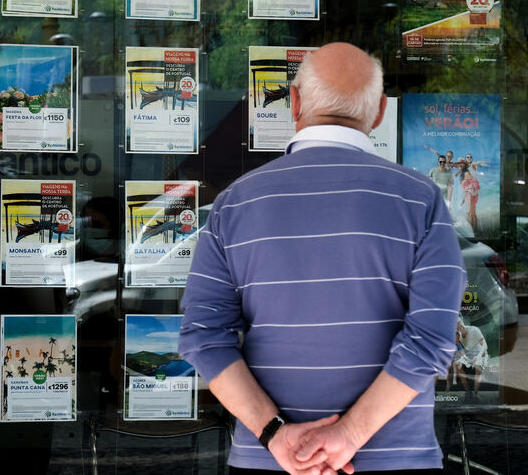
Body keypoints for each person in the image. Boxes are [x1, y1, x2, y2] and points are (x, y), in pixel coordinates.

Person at [179, 43, 465, 475]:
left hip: (270, 461)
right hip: (395, 460)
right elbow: (432, 340)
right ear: (380, 112)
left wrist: (275, 434)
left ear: (294, 103)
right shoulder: (420, 200)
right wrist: (347, 435)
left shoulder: (234, 204)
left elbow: (203, 337)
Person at [453, 318, 488, 402]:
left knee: (477, 366)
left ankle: (475, 393)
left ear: (462, 323)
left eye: (460, 326)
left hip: (480, 354)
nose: (459, 329)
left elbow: (485, 346)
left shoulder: (474, 330)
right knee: (457, 365)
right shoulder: (458, 335)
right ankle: (468, 392)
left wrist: (478, 356)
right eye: (457, 328)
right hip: (468, 356)